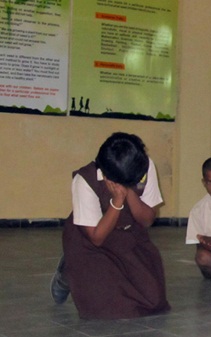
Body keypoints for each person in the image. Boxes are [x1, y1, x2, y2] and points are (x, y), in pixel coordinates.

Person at [50, 132, 170, 319]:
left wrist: (128, 191)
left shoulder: (142, 165)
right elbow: (97, 237)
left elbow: (147, 220)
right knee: (105, 308)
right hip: (90, 241)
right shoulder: (84, 180)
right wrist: (117, 200)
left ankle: (75, 268)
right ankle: (67, 271)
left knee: (153, 301)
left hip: (129, 235)